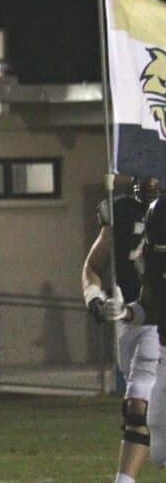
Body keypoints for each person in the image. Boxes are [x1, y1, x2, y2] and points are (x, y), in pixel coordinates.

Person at [83, 176, 160, 483]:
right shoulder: (120, 211)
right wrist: (96, 300)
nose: (148, 178)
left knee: (137, 406)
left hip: (158, 319)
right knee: (142, 410)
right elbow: (92, 266)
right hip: (129, 320)